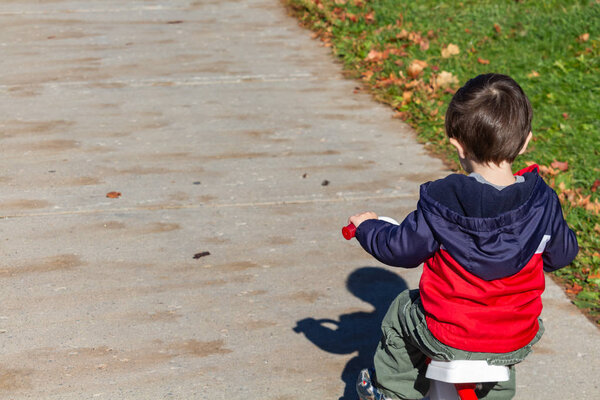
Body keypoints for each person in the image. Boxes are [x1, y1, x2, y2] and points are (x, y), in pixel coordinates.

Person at [348, 73, 579, 400]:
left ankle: (394, 393)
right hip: (517, 335)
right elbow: (563, 255)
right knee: (504, 321)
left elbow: (400, 248)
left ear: (456, 143)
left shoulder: (443, 200)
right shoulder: (542, 203)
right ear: (527, 140)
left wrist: (367, 227)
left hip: (448, 335)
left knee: (401, 311)